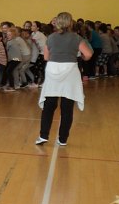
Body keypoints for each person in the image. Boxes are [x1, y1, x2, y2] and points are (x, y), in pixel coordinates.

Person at [35, 12, 92, 147]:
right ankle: (63, 139)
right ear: (70, 23)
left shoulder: (50, 37)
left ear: (57, 23)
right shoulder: (76, 37)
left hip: (53, 70)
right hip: (70, 71)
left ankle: (43, 135)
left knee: (49, 105)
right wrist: (82, 58)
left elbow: (46, 57)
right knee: (67, 107)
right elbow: (88, 54)